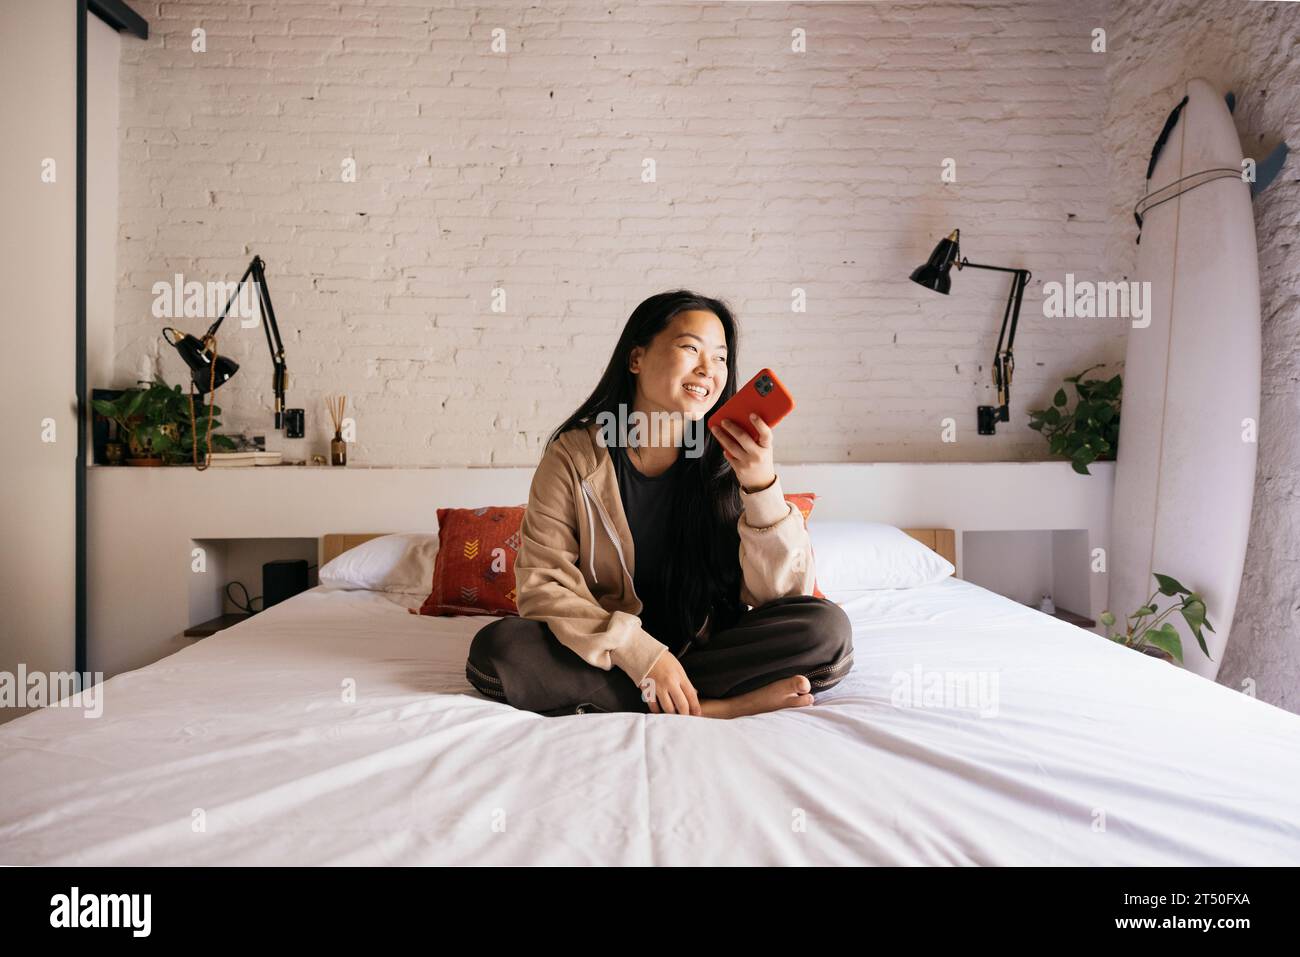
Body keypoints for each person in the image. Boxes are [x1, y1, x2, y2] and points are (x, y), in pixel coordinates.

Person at [465, 290, 853, 717]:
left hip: (708, 647)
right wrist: (642, 653)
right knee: (499, 649)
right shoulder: (574, 458)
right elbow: (543, 585)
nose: (709, 369)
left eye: (721, 358)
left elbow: (784, 596)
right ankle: (715, 707)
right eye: (691, 348)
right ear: (637, 359)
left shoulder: (730, 459)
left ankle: (662, 697)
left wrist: (760, 485)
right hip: (612, 653)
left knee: (826, 629)